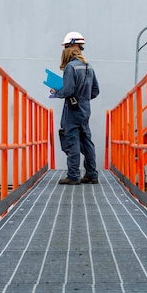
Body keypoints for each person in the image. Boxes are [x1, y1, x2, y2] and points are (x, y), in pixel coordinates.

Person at [50, 31, 100, 185]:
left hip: (72, 111)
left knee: (71, 141)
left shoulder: (70, 67)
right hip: (85, 110)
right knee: (86, 141)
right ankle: (91, 174)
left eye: (65, 47)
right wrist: (83, 99)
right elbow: (95, 91)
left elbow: (68, 90)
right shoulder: (88, 67)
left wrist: (55, 91)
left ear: (70, 47)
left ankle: (73, 176)